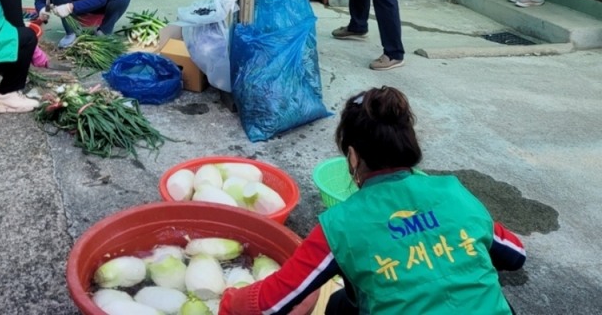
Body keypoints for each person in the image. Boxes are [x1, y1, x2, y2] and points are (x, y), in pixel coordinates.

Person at [219, 86, 526, 315]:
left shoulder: (341, 225)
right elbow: (515, 255)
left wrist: (229, 300)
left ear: (352, 156)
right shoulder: (454, 194)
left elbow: (272, 303)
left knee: (340, 306)